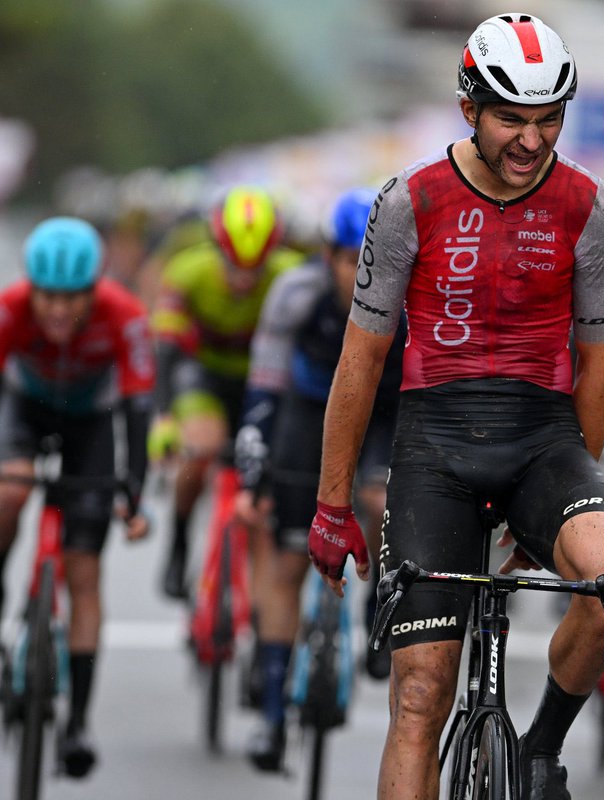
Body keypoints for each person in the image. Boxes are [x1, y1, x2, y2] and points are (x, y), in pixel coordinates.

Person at [305, 13, 604, 800]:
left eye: (549, 119)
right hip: (435, 449)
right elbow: (361, 361)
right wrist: (331, 505)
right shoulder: (407, 201)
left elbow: (601, 365)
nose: (532, 140)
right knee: (421, 694)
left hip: (544, 441)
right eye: (512, 119)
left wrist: (562, 501)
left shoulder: (591, 207)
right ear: (469, 107)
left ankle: (541, 747)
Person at [0, 216, 154, 777]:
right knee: (11, 489)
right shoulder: (5, 310)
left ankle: (78, 723)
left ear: (95, 290)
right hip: (24, 407)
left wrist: (133, 494)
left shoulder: (127, 316)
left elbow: (139, 411)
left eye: (72, 298)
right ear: (29, 289)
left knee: (84, 572)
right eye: (47, 297)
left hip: (92, 422)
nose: (59, 310)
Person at [231, 187, 404, 772]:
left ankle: (374, 604)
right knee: (283, 559)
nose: (363, 274)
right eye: (351, 260)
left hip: (383, 412)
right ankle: (273, 717)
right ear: (328, 256)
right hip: (308, 412)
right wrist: (254, 459)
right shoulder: (295, 293)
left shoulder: (412, 298)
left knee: (380, 499)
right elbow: (265, 385)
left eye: (374, 260)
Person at [148, 185, 303, 600]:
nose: (244, 278)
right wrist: (163, 417)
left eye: (255, 268)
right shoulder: (186, 271)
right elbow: (165, 350)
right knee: (200, 449)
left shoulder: (292, 275)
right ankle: (179, 543)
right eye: (234, 266)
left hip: (263, 383)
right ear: (217, 247)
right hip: (205, 377)